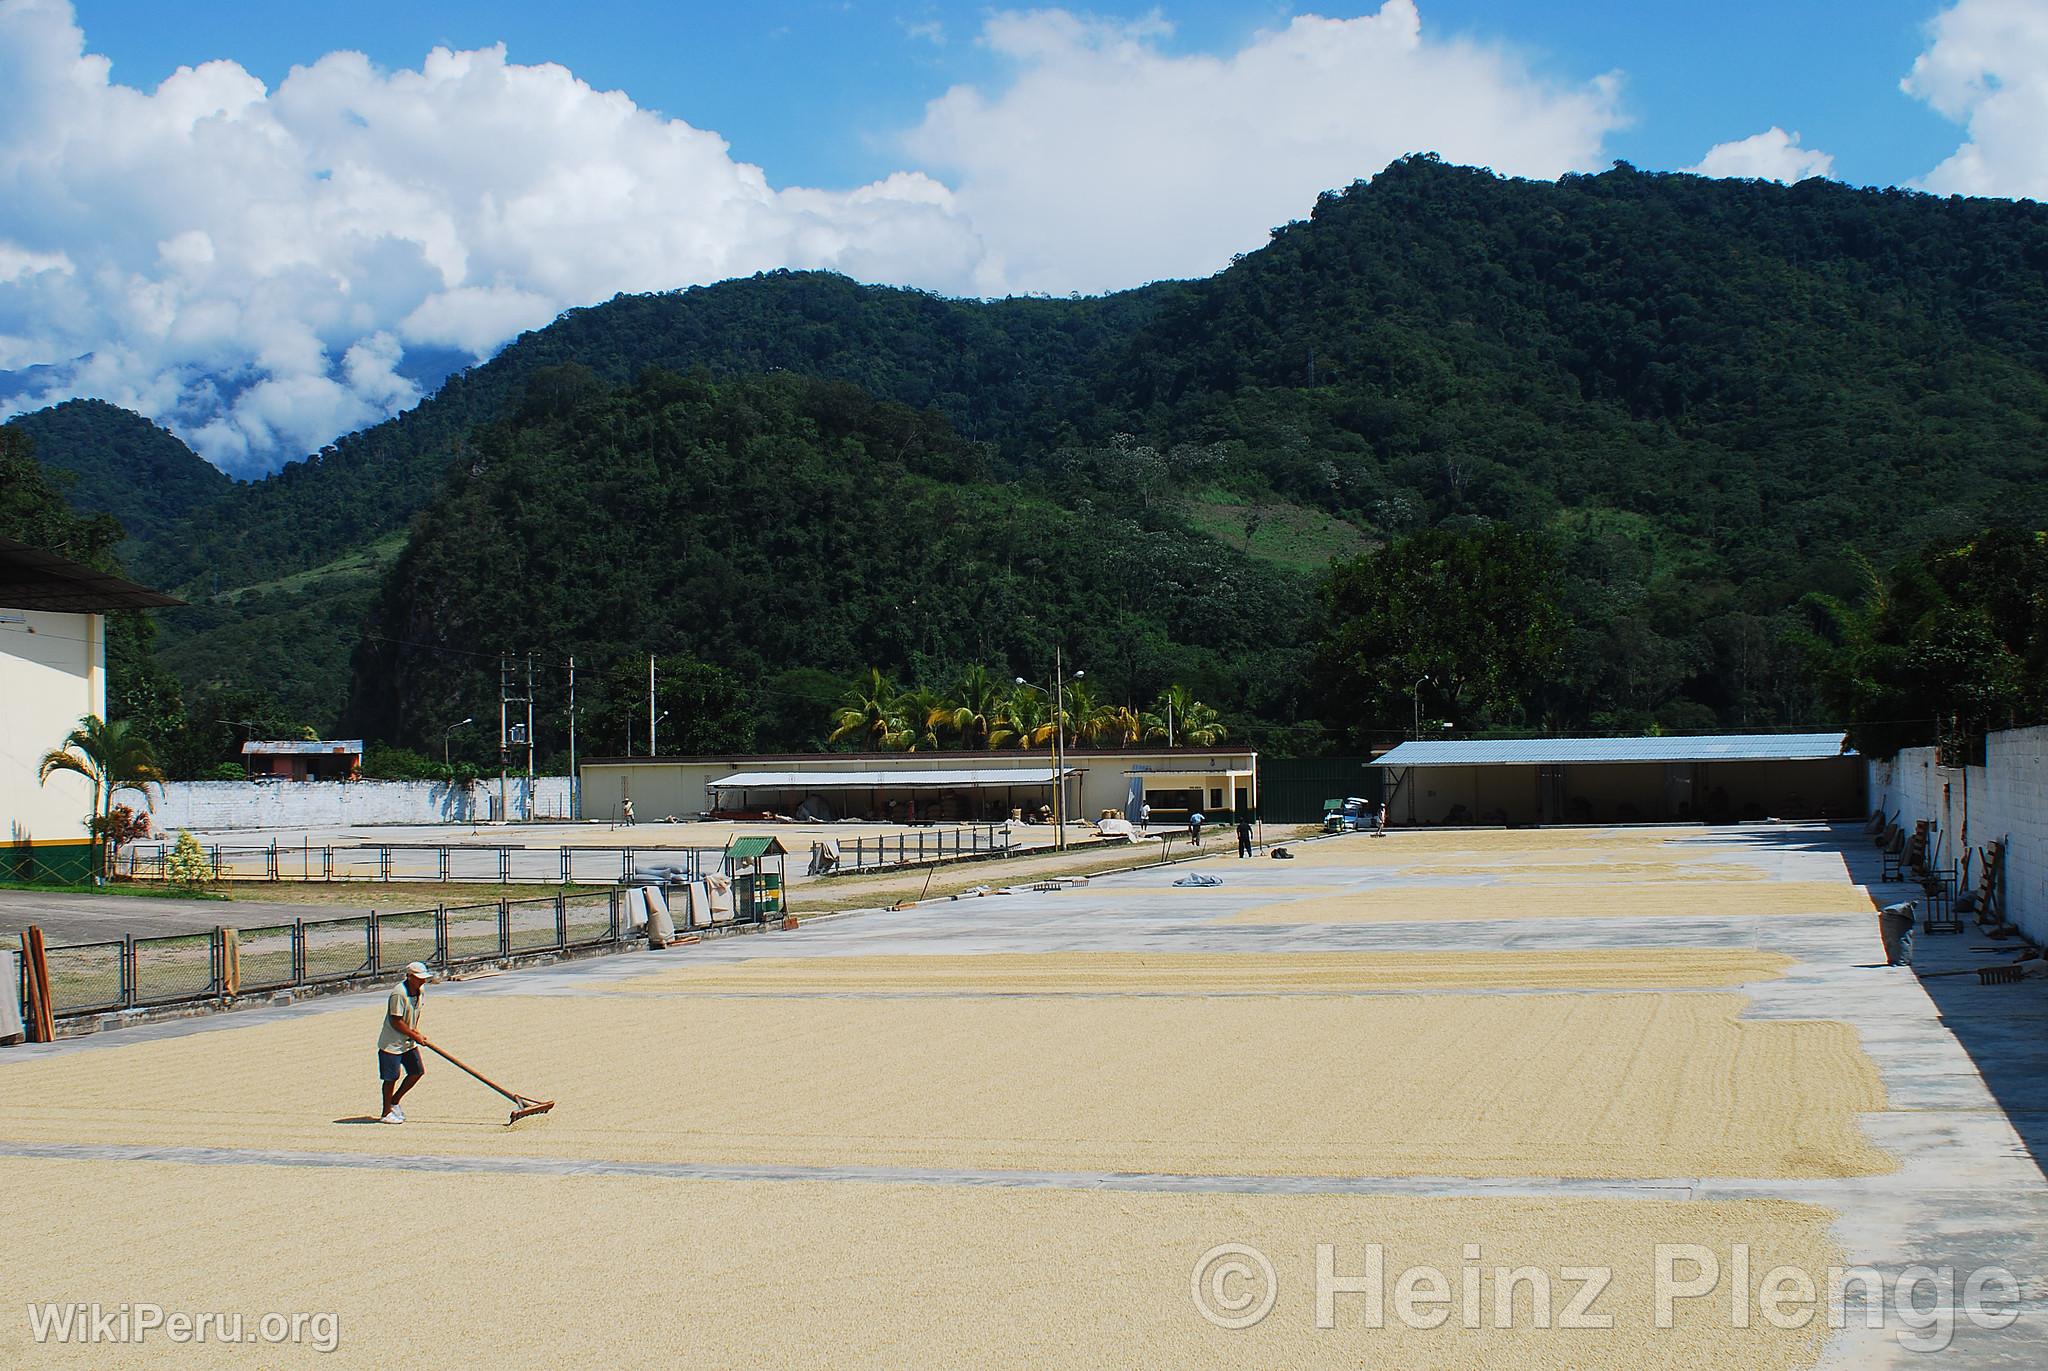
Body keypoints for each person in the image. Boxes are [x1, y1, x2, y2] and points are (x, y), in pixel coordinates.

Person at [377, 961, 433, 1124]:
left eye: (423, 978)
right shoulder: (399, 994)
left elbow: (416, 1013)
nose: (422, 981)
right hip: (392, 1044)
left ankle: (394, 1101)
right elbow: (396, 1021)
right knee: (391, 1078)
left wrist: (415, 1031)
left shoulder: (420, 990)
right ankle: (386, 1113)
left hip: (408, 1041)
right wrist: (413, 1035)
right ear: (409, 977)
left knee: (417, 1071)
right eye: (418, 978)